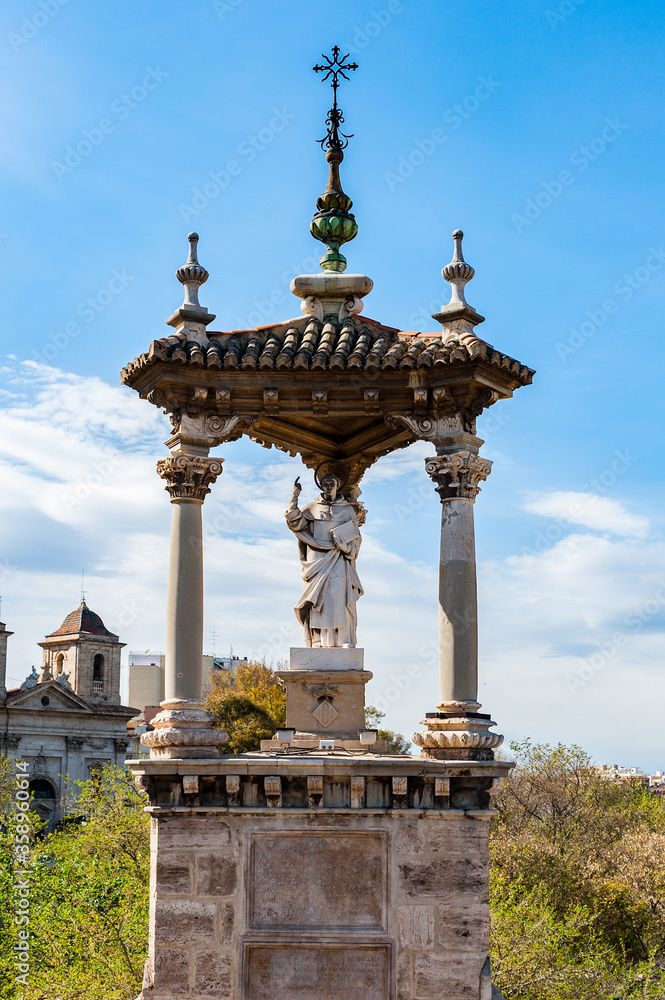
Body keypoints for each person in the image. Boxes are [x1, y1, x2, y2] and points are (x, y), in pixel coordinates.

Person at [285, 470, 363, 647]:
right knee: (318, 598)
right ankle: (317, 639)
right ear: (321, 486)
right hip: (317, 558)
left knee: (338, 596)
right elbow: (295, 522)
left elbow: (355, 538)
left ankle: (342, 639)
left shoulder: (348, 510)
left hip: (338, 556)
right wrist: (294, 497)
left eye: (332, 484)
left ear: (337, 486)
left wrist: (345, 547)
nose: (328, 487)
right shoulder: (312, 508)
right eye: (325, 484)